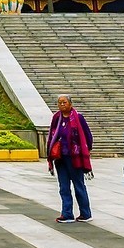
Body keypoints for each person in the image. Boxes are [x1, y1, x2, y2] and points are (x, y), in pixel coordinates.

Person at [46, 94, 93, 223]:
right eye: (59, 102)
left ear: (70, 104)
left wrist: (85, 151)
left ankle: (85, 213)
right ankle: (67, 213)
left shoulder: (78, 118)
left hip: (75, 158)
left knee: (79, 185)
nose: (62, 105)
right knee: (64, 186)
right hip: (60, 158)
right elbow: (52, 135)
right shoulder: (56, 118)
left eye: (64, 102)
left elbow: (87, 136)